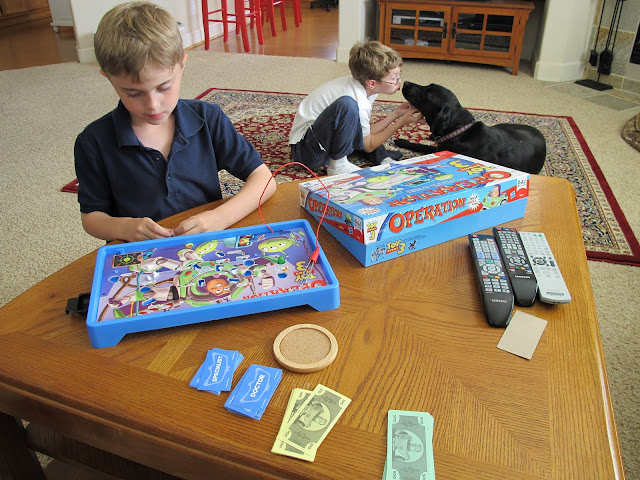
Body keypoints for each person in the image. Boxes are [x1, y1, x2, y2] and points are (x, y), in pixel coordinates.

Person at [74, 1, 276, 242]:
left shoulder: (208, 118)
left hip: (207, 246)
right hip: (141, 254)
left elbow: (264, 180)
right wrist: (125, 228)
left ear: (182, 65)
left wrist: (220, 217)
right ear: (108, 77)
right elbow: (92, 217)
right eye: (134, 93)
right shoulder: (93, 141)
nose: (153, 104)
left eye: (164, 88)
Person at [289, 40, 424, 176]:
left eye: (399, 75)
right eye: (395, 78)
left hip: (323, 141)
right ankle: (338, 165)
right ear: (372, 83)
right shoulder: (356, 99)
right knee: (347, 104)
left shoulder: (365, 88)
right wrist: (401, 122)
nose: (399, 82)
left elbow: (364, 134)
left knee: (357, 121)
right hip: (306, 151)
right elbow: (368, 145)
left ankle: (383, 159)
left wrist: (396, 114)